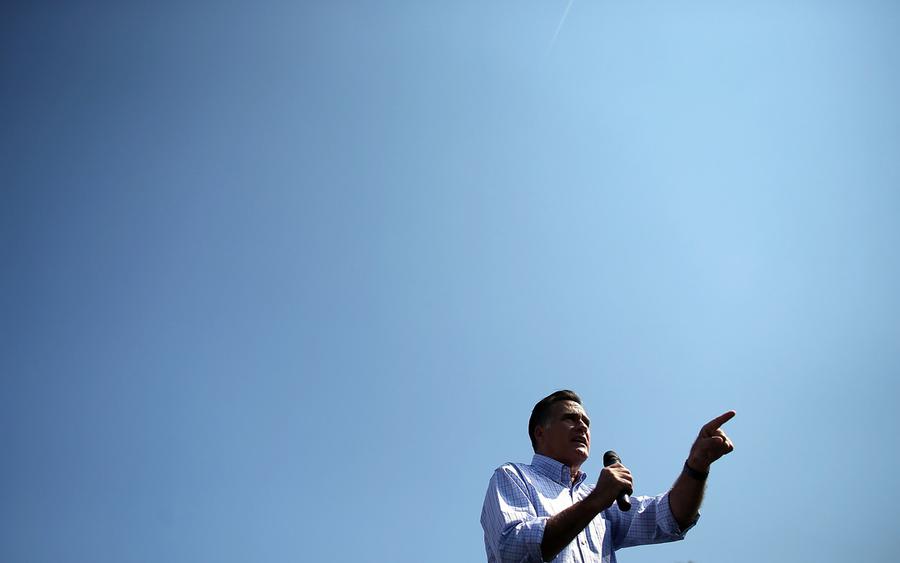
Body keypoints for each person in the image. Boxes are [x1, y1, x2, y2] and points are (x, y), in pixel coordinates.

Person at [480, 390, 735, 562]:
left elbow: (670, 516)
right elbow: (512, 551)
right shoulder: (513, 477)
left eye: (586, 422)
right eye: (570, 418)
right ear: (540, 433)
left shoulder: (604, 503)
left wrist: (697, 465)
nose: (582, 426)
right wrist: (595, 501)